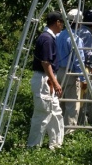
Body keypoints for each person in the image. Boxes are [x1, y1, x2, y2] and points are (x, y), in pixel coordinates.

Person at [27, 11, 65, 150]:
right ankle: (33, 146)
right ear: (57, 22)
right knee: (42, 114)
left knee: (55, 112)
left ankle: (55, 144)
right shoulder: (47, 38)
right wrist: (54, 82)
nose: (62, 26)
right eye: (61, 23)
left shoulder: (49, 37)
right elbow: (45, 63)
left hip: (47, 78)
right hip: (45, 78)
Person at [55, 9, 84, 127]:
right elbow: (78, 61)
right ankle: (69, 131)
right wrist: (83, 78)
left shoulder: (58, 36)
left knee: (59, 103)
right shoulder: (76, 39)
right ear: (79, 23)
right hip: (70, 73)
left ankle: (57, 129)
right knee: (72, 104)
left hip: (58, 72)